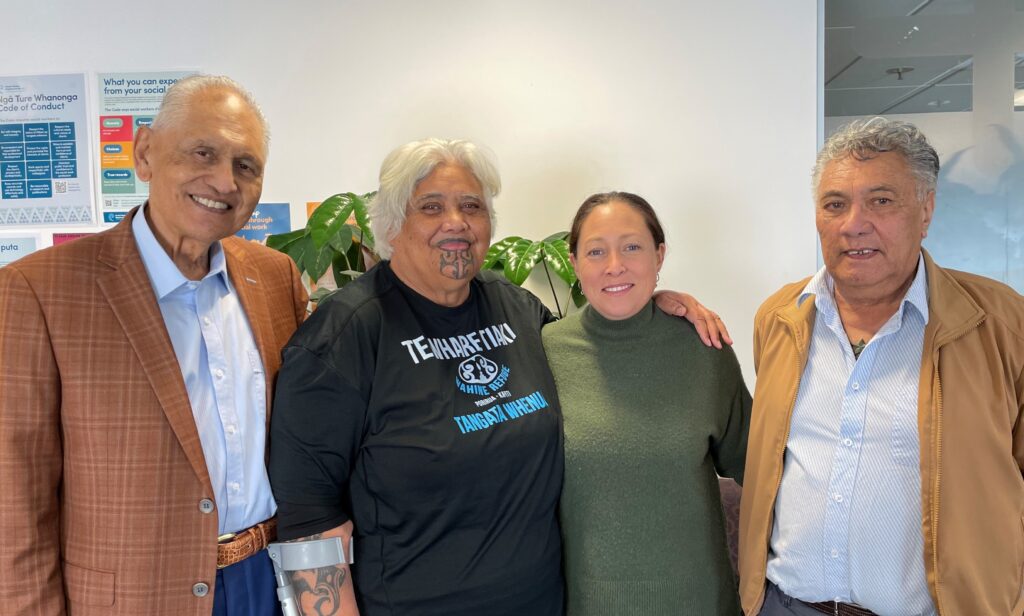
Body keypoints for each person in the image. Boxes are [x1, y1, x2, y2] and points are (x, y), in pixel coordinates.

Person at [267, 139, 728, 616]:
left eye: (472, 205)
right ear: (391, 224)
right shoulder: (340, 340)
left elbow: (592, 354)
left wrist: (649, 304)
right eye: (431, 206)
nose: (457, 222)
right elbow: (310, 526)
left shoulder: (513, 307)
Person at [0, 75, 308, 615]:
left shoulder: (275, 276)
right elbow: (14, 502)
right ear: (144, 153)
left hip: (269, 582)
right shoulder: (37, 290)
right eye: (202, 152)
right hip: (132, 597)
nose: (224, 182)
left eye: (246, 165)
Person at [739, 118, 1024, 616]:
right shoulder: (780, 318)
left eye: (881, 201)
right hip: (785, 605)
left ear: (926, 209)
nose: (854, 223)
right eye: (835, 204)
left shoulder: (999, 323)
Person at [542, 192, 751, 615]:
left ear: (659, 255)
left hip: (699, 601)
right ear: (575, 261)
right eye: (596, 251)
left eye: (632, 247)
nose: (614, 265)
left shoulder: (704, 348)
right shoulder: (544, 351)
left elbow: (757, 467)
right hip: (585, 604)